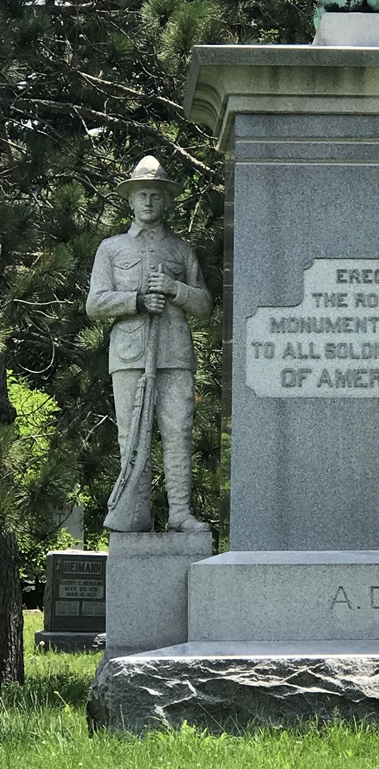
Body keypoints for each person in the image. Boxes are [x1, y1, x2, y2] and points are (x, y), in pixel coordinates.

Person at [87, 156, 213, 532]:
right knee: (132, 436)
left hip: (174, 353)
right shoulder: (111, 249)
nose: (148, 201)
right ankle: (134, 514)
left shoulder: (181, 250)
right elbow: (95, 304)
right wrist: (137, 301)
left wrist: (175, 289)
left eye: (155, 195)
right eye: (141, 194)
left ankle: (180, 513)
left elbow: (205, 306)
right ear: (129, 200)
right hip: (129, 354)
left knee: (178, 432)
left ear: (167, 201)